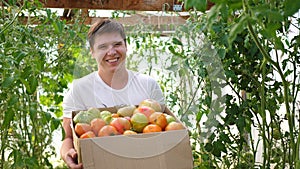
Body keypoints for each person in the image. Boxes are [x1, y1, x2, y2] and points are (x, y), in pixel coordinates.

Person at [60, 19, 165, 169]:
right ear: (92, 52)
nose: (112, 52)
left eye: (117, 44)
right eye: (103, 47)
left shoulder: (148, 85)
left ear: (126, 46)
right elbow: (68, 137)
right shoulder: (80, 89)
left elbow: (164, 130)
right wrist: (68, 154)